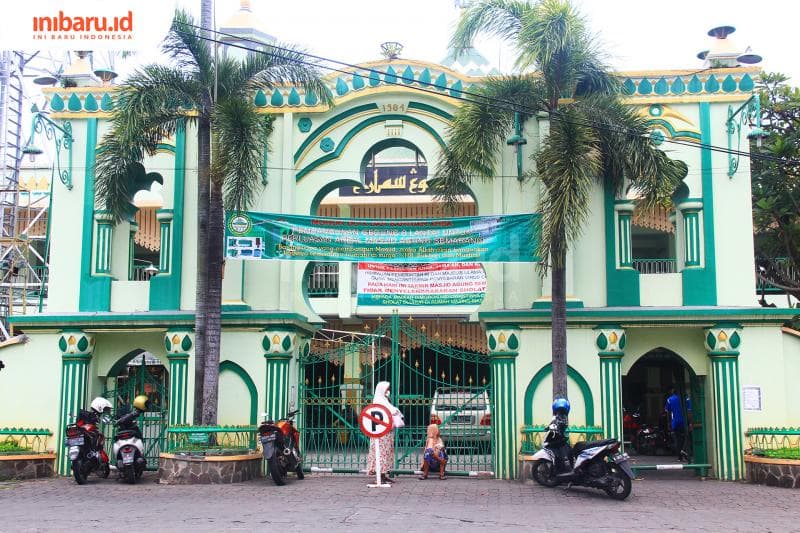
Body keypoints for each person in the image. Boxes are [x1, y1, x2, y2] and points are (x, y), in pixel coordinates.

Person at [367, 381, 404, 483]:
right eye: (387, 389)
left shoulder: (384, 400)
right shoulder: (379, 401)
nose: (388, 391)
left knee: (386, 453)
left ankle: (383, 475)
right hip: (380, 433)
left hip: (386, 432)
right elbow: (389, 412)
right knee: (381, 453)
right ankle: (379, 476)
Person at [664, 387, 689, 461]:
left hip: (675, 422)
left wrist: (669, 423)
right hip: (684, 422)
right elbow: (689, 411)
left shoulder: (670, 399)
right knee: (687, 437)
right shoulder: (686, 398)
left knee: (678, 439)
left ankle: (679, 457)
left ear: (673, 392)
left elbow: (668, 412)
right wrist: (690, 422)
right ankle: (684, 450)